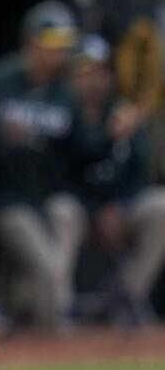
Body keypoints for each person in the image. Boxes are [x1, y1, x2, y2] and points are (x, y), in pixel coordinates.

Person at [0, 2, 101, 330]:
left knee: (67, 212)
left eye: (63, 46)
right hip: (8, 202)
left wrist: (113, 133)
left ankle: (37, 305)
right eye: (53, 46)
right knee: (44, 261)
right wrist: (1, 138)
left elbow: (86, 152)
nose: (60, 53)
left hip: (48, 197)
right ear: (32, 44)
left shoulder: (66, 94)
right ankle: (55, 332)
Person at [70, 36, 163, 326]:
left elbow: (138, 174)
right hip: (77, 209)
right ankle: (54, 309)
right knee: (61, 213)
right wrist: (97, 208)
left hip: (119, 210)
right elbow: (57, 174)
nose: (94, 82)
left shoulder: (123, 113)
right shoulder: (63, 111)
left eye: (100, 73)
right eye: (86, 74)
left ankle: (126, 295)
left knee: (161, 206)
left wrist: (118, 206)